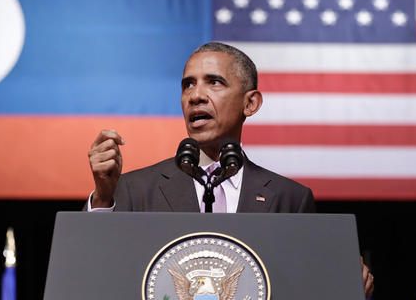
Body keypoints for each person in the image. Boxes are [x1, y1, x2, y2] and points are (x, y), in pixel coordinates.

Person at [86, 42, 374, 297]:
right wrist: (102, 198)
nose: (195, 95)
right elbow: (95, 272)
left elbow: (303, 287)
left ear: (250, 103)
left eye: (214, 82)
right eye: (188, 84)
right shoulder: (133, 189)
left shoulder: (290, 198)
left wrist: (343, 287)